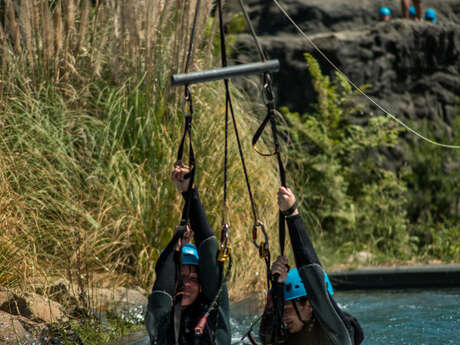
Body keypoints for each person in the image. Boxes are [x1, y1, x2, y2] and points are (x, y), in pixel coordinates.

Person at [259, 187, 364, 345]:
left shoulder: (340, 334)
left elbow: (312, 276)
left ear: (309, 305)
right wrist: (277, 285)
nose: (284, 318)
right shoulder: (288, 337)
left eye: (288, 310)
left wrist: (292, 215)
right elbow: (266, 337)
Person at [145, 163, 231, 345]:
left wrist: (190, 193)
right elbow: (160, 295)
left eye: (193, 278)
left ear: (202, 285)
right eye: (182, 276)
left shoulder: (215, 312)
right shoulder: (159, 320)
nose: (187, 284)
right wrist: (173, 247)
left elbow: (209, 255)